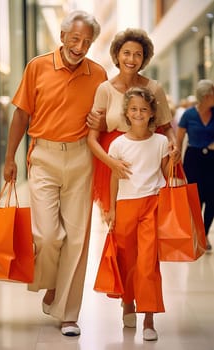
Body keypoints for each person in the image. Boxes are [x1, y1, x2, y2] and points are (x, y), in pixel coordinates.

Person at [3, 10, 107, 336]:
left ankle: (67, 312)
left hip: (81, 159)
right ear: (62, 37)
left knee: (76, 239)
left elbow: (108, 119)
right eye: (75, 39)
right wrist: (9, 158)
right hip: (44, 157)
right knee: (48, 236)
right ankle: (50, 282)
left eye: (87, 42)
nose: (80, 46)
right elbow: (21, 115)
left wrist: (100, 124)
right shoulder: (37, 66)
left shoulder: (98, 74)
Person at [87, 28, 180, 215]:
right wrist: (112, 163)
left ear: (144, 58)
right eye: (126, 53)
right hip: (116, 161)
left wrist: (175, 144)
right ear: (117, 55)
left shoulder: (154, 88)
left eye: (138, 55)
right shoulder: (104, 89)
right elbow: (91, 139)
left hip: (149, 159)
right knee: (119, 224)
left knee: (152, 222)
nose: (131, 59)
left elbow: (166, 127)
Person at [105, 86, 171, 341]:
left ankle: (149, 317)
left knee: (148, 264)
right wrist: (111, 208)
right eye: (133, 109)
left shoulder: (161, 141)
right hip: (125, 206)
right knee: (127, 261)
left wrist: (173, 160)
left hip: (152, 204)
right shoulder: (118, 144)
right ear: (127, 113)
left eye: (144, 109)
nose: (139, 113)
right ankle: (128, 303)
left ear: (152, 112)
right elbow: (113, 177)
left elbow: (166, 172)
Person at [177, 79, 214, 252]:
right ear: (206, 96)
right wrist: (175, 159)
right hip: (193, 159)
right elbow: (179, 138)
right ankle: (197, 235)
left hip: (212, 159)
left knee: (212, 200)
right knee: (195, 200)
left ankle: (204, 234)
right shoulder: (188, 115)